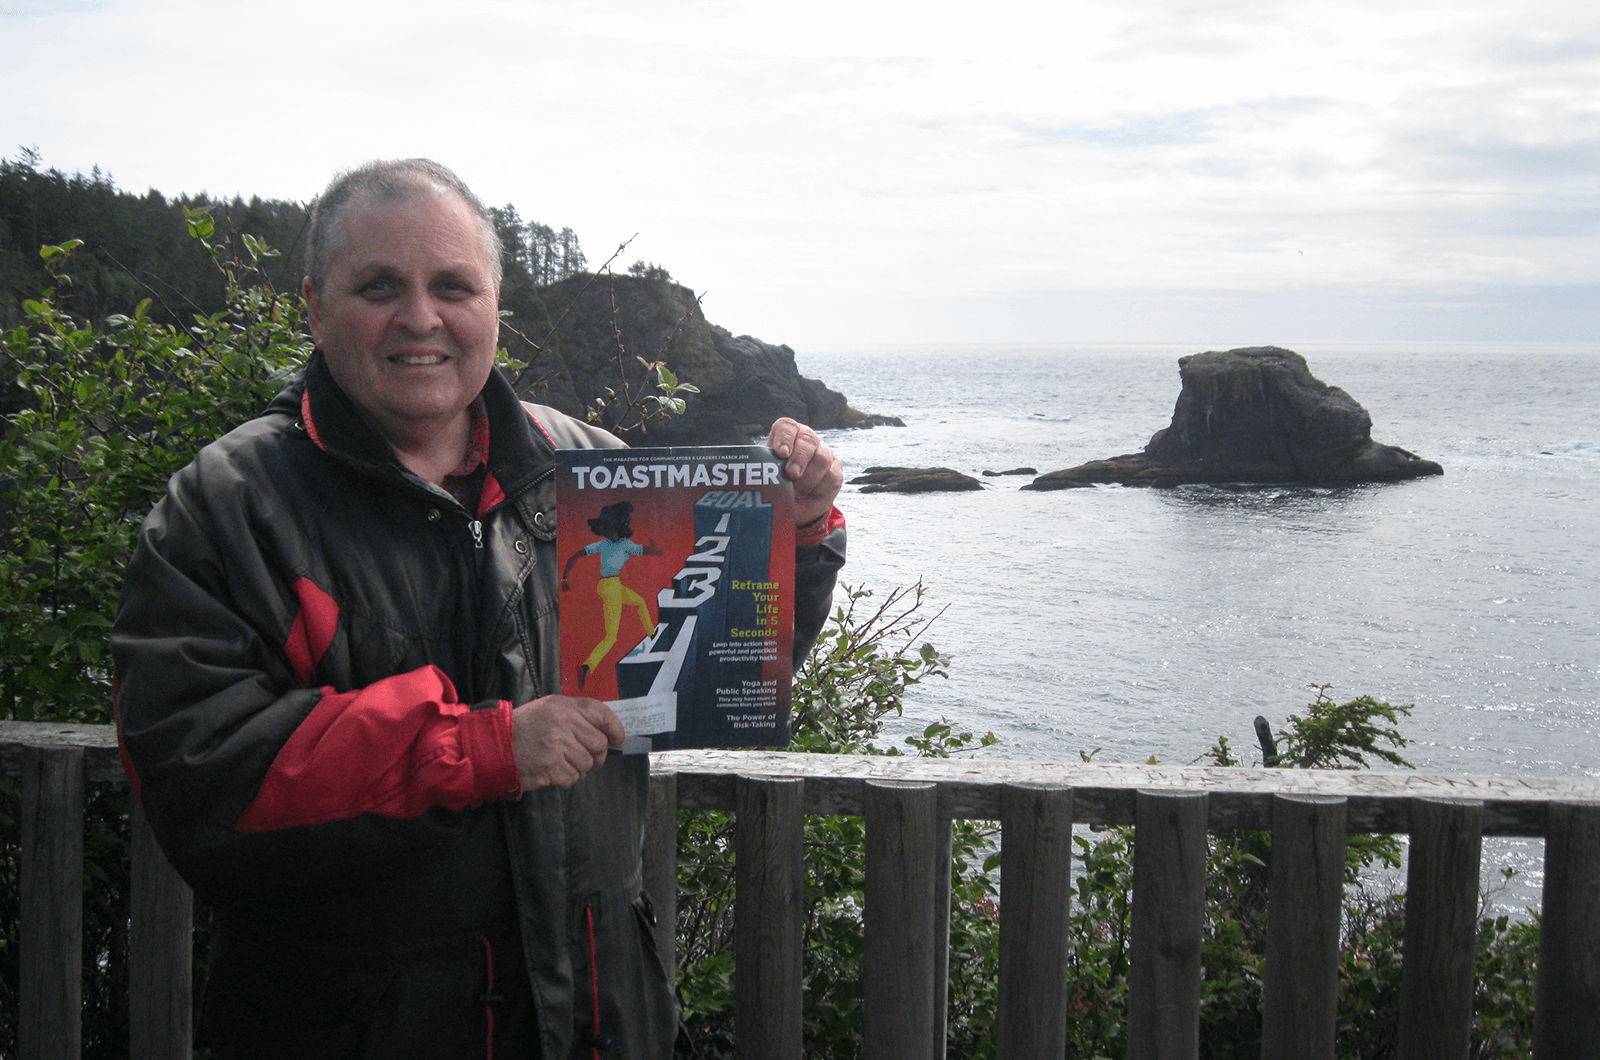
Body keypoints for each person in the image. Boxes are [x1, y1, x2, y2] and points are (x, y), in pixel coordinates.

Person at [112, 158, 846, 1059]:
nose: (420, 317)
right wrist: (481, 750)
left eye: (453, 286)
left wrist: (797, 532)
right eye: (379, 286)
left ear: (496, 306)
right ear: (315, 307)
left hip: (601, 1016)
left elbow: (710, 671)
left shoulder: (589, 469)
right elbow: (199, 777)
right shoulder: (232, 505)